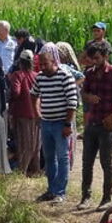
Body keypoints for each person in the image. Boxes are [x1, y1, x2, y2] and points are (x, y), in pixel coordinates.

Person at [78, 41, 112, 210]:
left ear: (105, 56)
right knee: (87, 161)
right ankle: (85, 197)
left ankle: (106, 198)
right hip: (92, 122)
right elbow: (83, 92)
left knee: (106, 162)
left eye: (97, 58)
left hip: (107, 125)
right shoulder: (90, 73)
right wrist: (88, 97)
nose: (94, 61)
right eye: (92, 58)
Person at [32, 43, 79, 203]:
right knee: (49, 157)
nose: (43, 67)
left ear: (54, 62)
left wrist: (67, 124)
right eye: (41, 64)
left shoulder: (65, 76)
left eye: (46, 64)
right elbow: (34, 95)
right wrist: (37, 113)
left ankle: (60, 192)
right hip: (46, 122)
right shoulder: (40, 77)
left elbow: (72, 103)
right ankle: (51, 190)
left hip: (60, 123)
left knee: (63, 157)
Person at [9, 49, 40, 177]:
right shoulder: (37, 75)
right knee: (35, 143)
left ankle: (22, 171)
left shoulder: (17, 75)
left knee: (24, 144)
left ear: (20, 62)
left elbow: (15, 92)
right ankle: (35, 170)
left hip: (22, 113)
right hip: (37, 113)